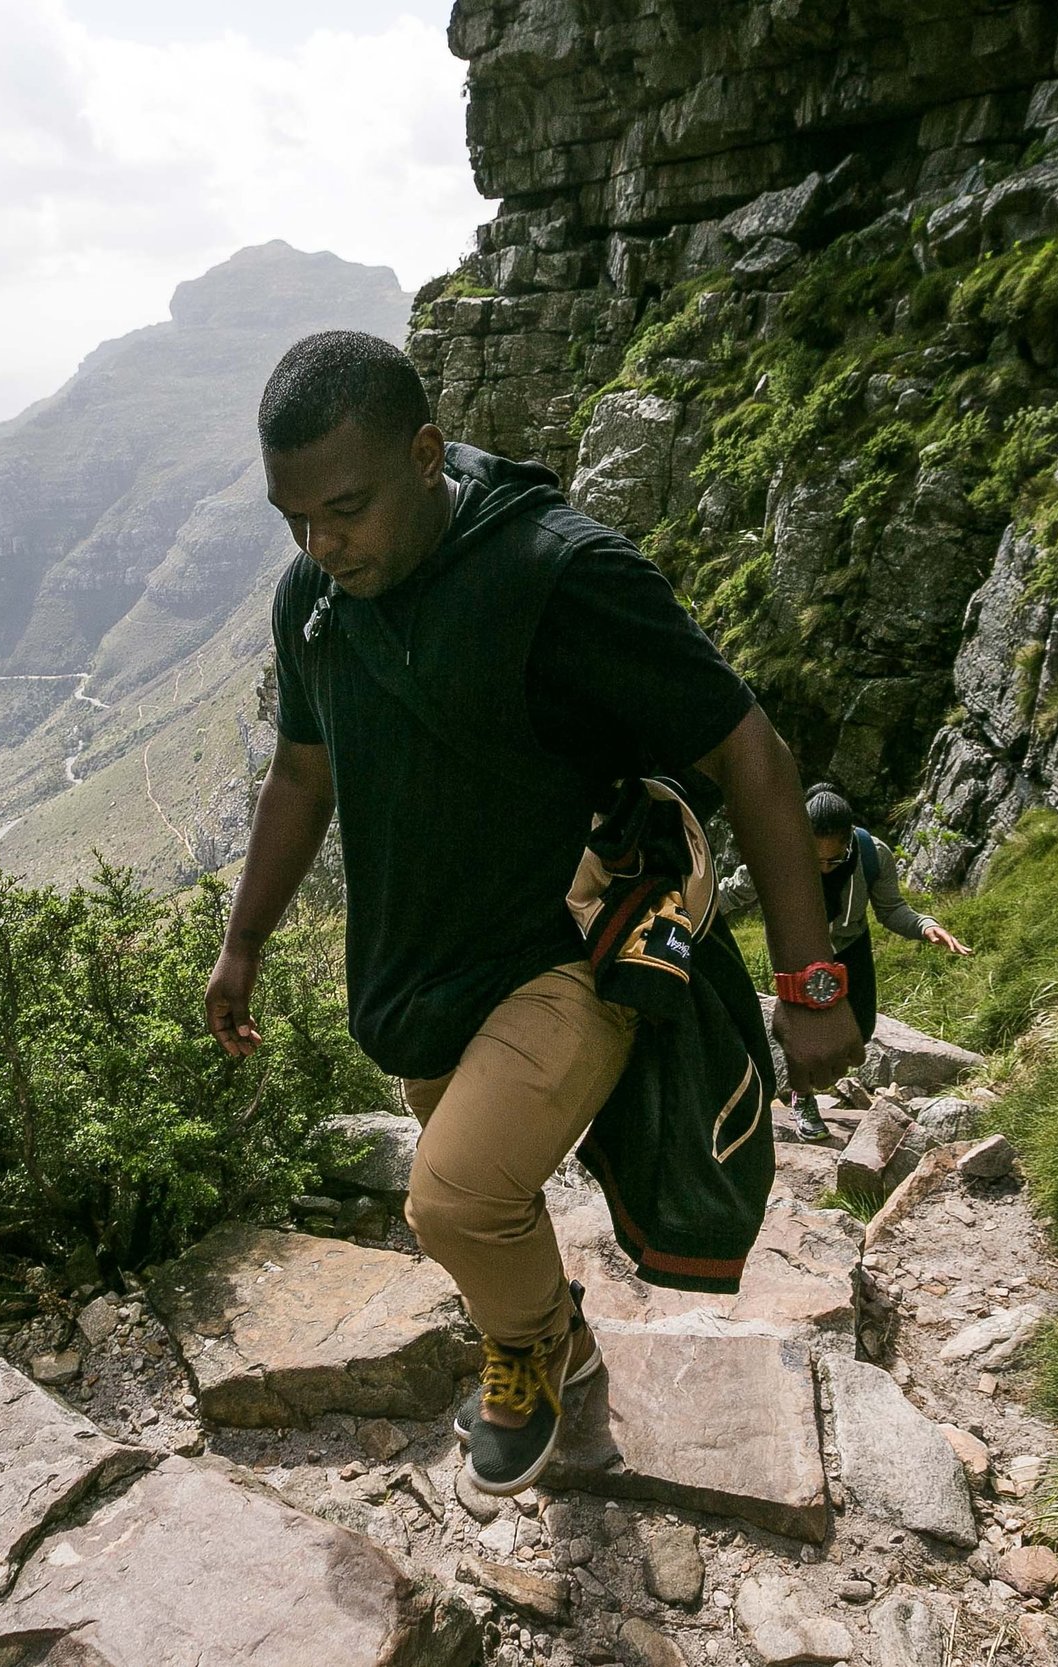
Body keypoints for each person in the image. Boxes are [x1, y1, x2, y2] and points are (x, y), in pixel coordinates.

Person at [203, 330, 864, 1496]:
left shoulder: (561, 576)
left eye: (344, 508)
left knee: (453, 1198)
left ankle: (523, 1352)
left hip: (570, 956)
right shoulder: (315, 595)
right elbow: (301, 776)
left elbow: (753, 751)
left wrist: (812, 985)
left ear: (422, 452)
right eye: (293, 517)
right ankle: (570, 1356)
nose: (319, 542)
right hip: (421, 972)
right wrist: (242, 939)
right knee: (482, 1197)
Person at [785, 784, 972, 1142]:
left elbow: (891, 909)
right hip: (801, 947)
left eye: (833, 860)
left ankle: (813, 1081)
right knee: (807, 1026)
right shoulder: (784, 848)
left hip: (850, 942)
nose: (824, 868)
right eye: (815, 859)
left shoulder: (874, 855)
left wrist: (926, 926)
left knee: (860, 1030)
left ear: (848, 842)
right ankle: (803, 1096)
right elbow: (740, 888)